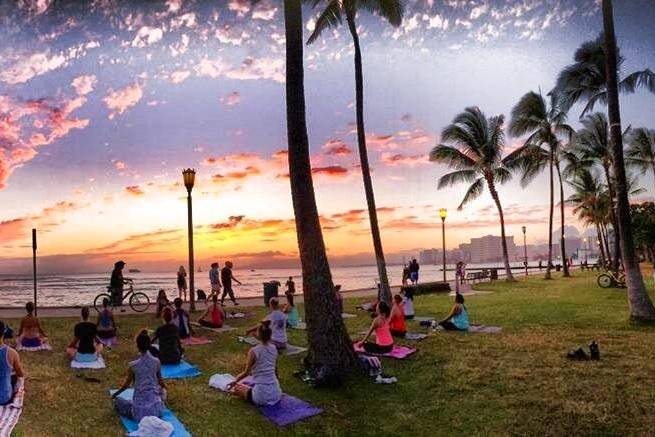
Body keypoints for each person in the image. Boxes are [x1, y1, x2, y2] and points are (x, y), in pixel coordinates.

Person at [112, 331, 167, 422]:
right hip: (157, 409)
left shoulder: (133, 365)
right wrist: (165, 391)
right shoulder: (156, 361)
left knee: (118, 401)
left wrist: (115, 394)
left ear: (137, 346)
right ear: (149, 345)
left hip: (139, 412)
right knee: (159, 392)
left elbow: (126, 385)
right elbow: (161, 382)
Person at [227, 321, 282, 406]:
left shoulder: (253, 351)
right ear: (270, 335)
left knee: (237, 387)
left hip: (261, 396)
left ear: (258, 334)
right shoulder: (274, 348)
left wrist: (234, 382)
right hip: (276, 393)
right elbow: (275, 368)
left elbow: (246, 372)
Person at [0, 320, 24, 406]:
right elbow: (20, 374)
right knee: (13, 376)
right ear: (3, 333)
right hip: (3, 397)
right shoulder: (11, 353)